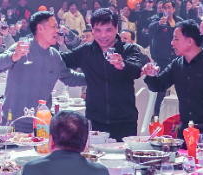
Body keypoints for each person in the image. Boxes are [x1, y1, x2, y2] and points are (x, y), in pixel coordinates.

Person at [141, 20, 203, 151]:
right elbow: (158, 85)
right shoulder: (177, 64)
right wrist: (150, 75)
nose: (172, 43)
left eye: (176, 39)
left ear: (190, 41)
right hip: (185, 133)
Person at [0, 10, 86, 131]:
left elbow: (70, 78)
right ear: (40, 28)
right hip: (14, 125)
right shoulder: (22, 48)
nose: (57, 31)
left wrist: (97, 76)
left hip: (42, 125)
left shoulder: (54, 56)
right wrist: (14, 56)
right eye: (54, 26)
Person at [61, 8, 147, 139]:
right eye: (98, 30)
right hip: (96, 119)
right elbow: (63, 60)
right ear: (92, 29)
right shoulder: (86, 50)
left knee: (124, 152)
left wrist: (123, 65)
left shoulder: (128, 49)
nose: (103, 35)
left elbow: (137, 70)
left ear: (116, 28)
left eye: (108, 30)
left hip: (125, 119)